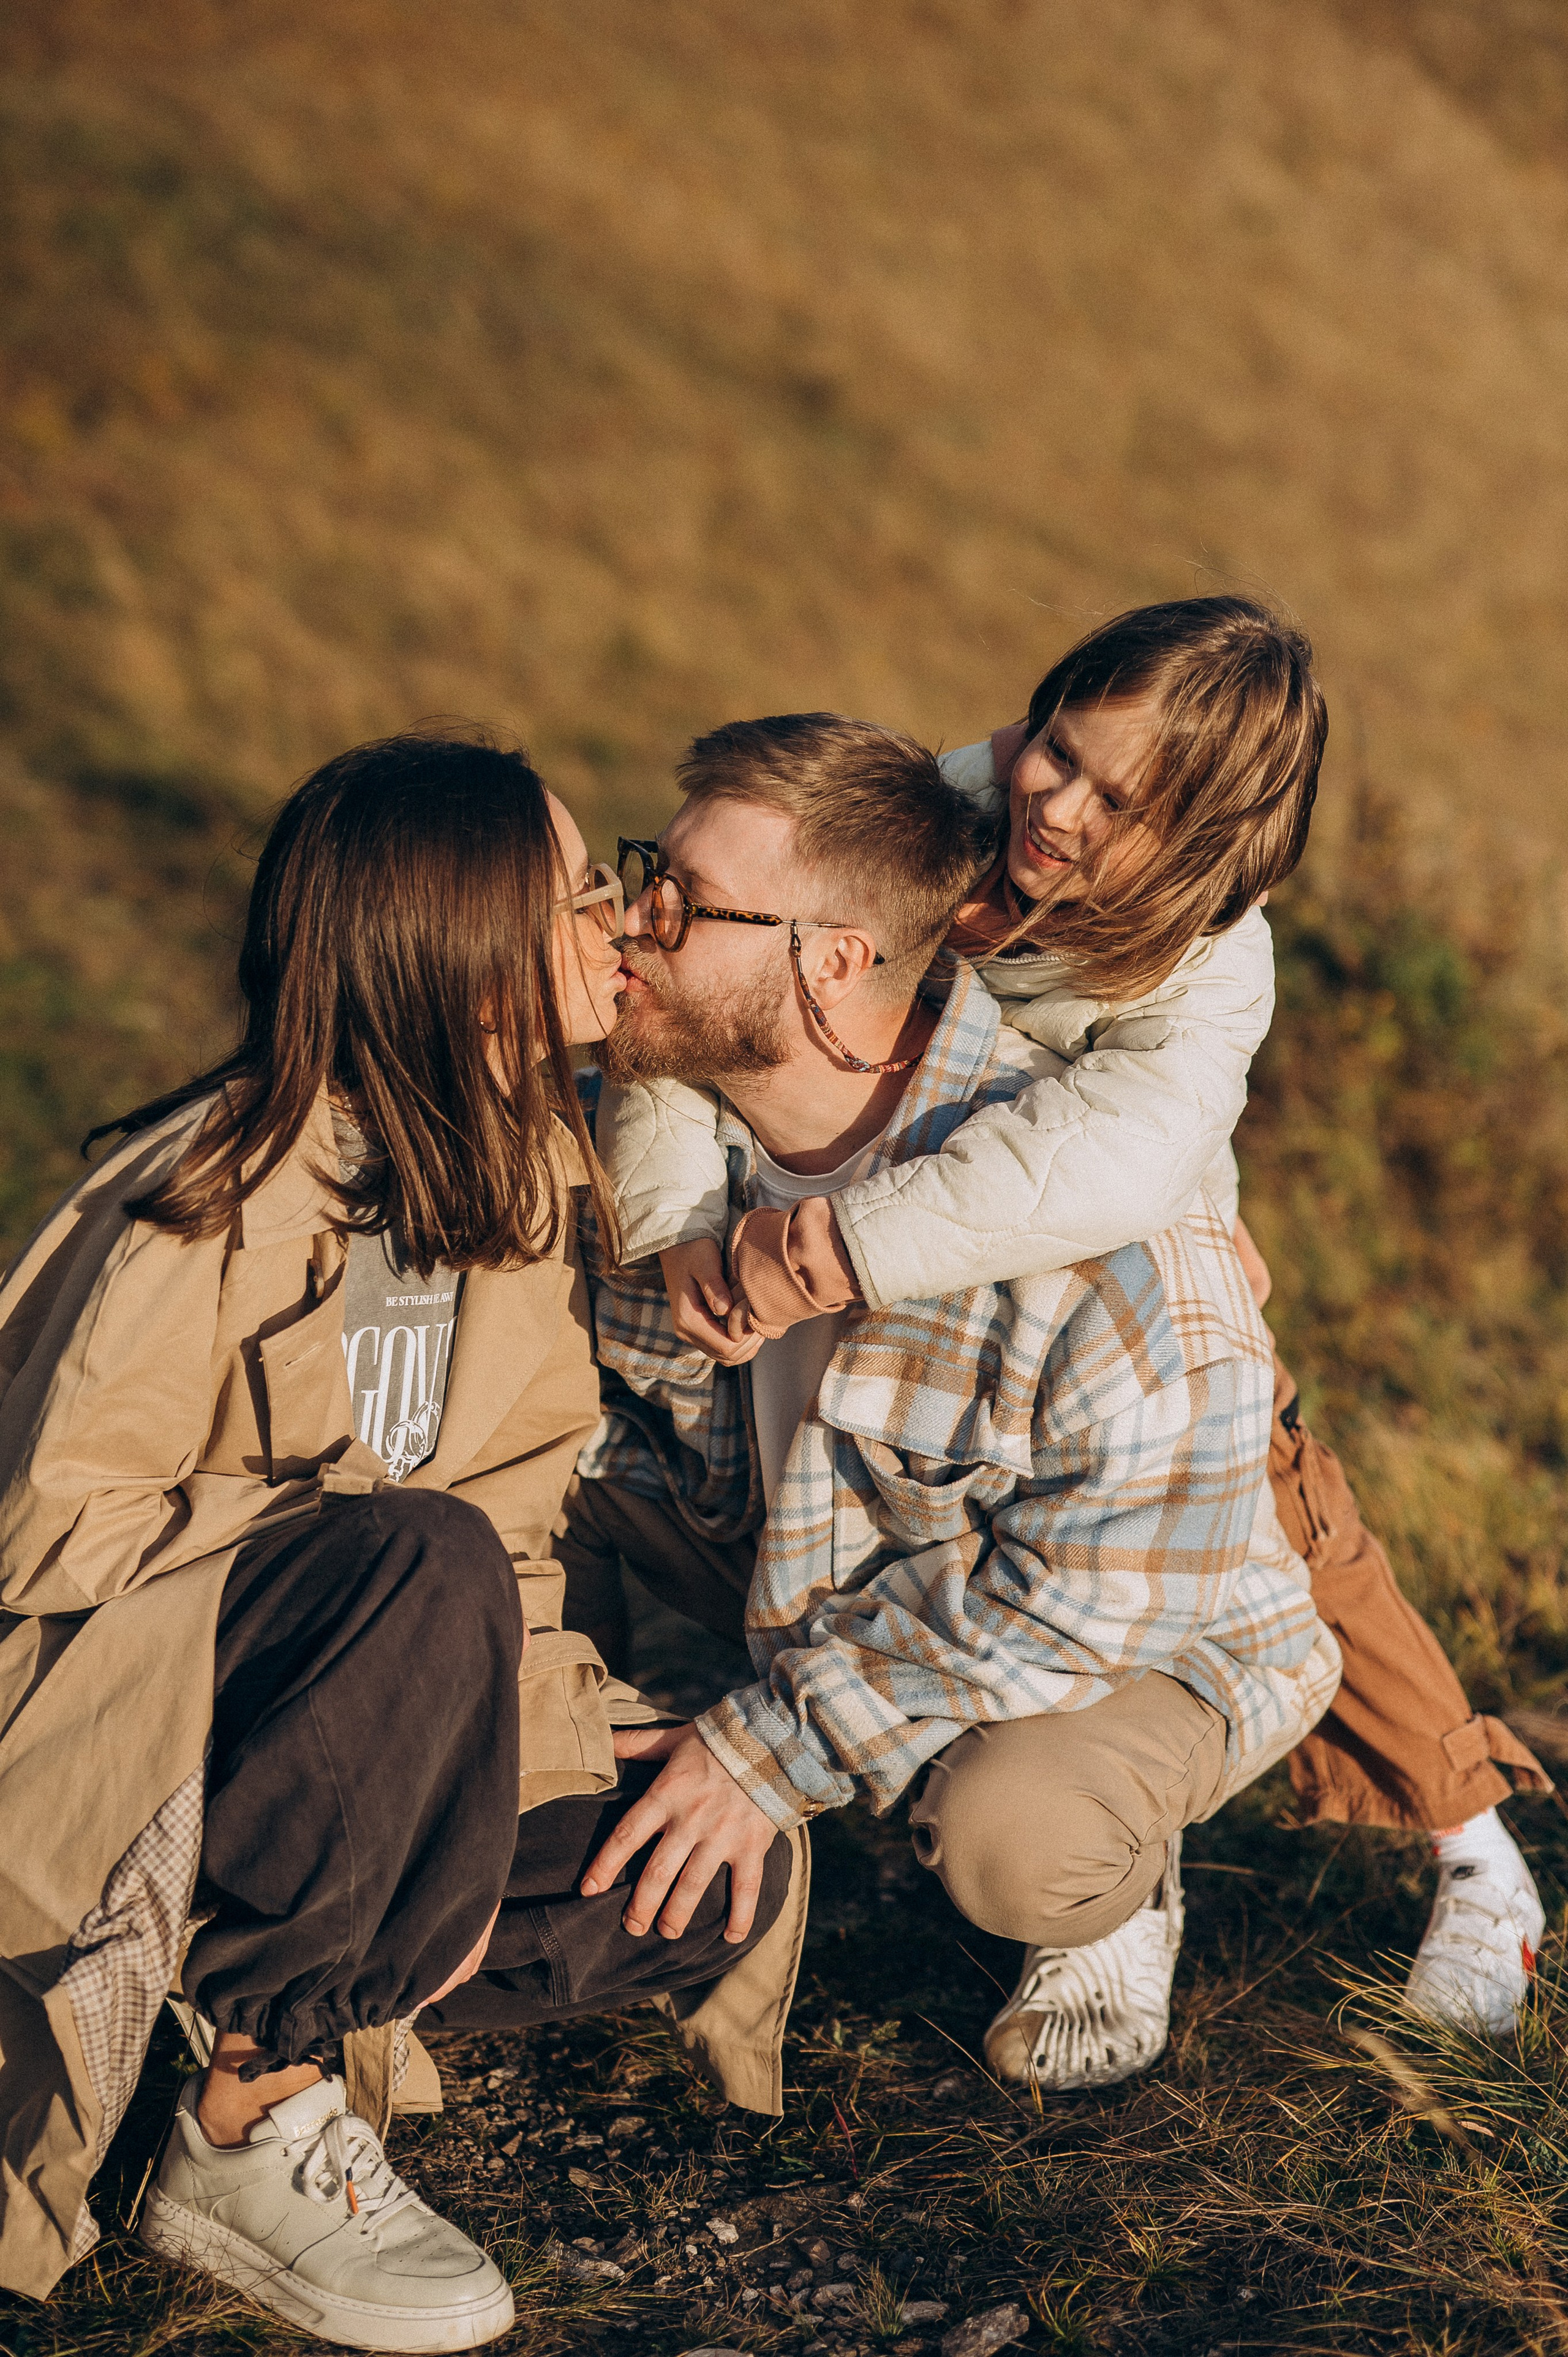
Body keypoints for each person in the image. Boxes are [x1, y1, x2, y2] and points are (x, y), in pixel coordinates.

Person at [574, 608, 1550, 2068]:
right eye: (1055, 746)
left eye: (1115, 799)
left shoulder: (1212, 964)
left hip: (1111, 1268)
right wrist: (685, 1247)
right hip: (911, 1210)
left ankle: (1469, 1842)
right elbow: (722, 1003)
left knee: (1278, 1522)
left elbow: (1101, 1164)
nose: (1055, 802)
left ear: (1202, 849)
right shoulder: (980, 806)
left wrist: (836, 1248)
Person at [0, 730, 807, 2349]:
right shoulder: (206, 1194)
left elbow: (505, 1546)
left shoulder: (513, 1178)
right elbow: (42, 1540)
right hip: (123, 1730)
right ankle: (254, 2106)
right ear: (463, 956)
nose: (620, 922)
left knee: (712, 1860)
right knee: (411, 1555)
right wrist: (337, 1551)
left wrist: (568, 1742)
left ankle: (234, 2009)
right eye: (580, 896)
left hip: (349, 1735)